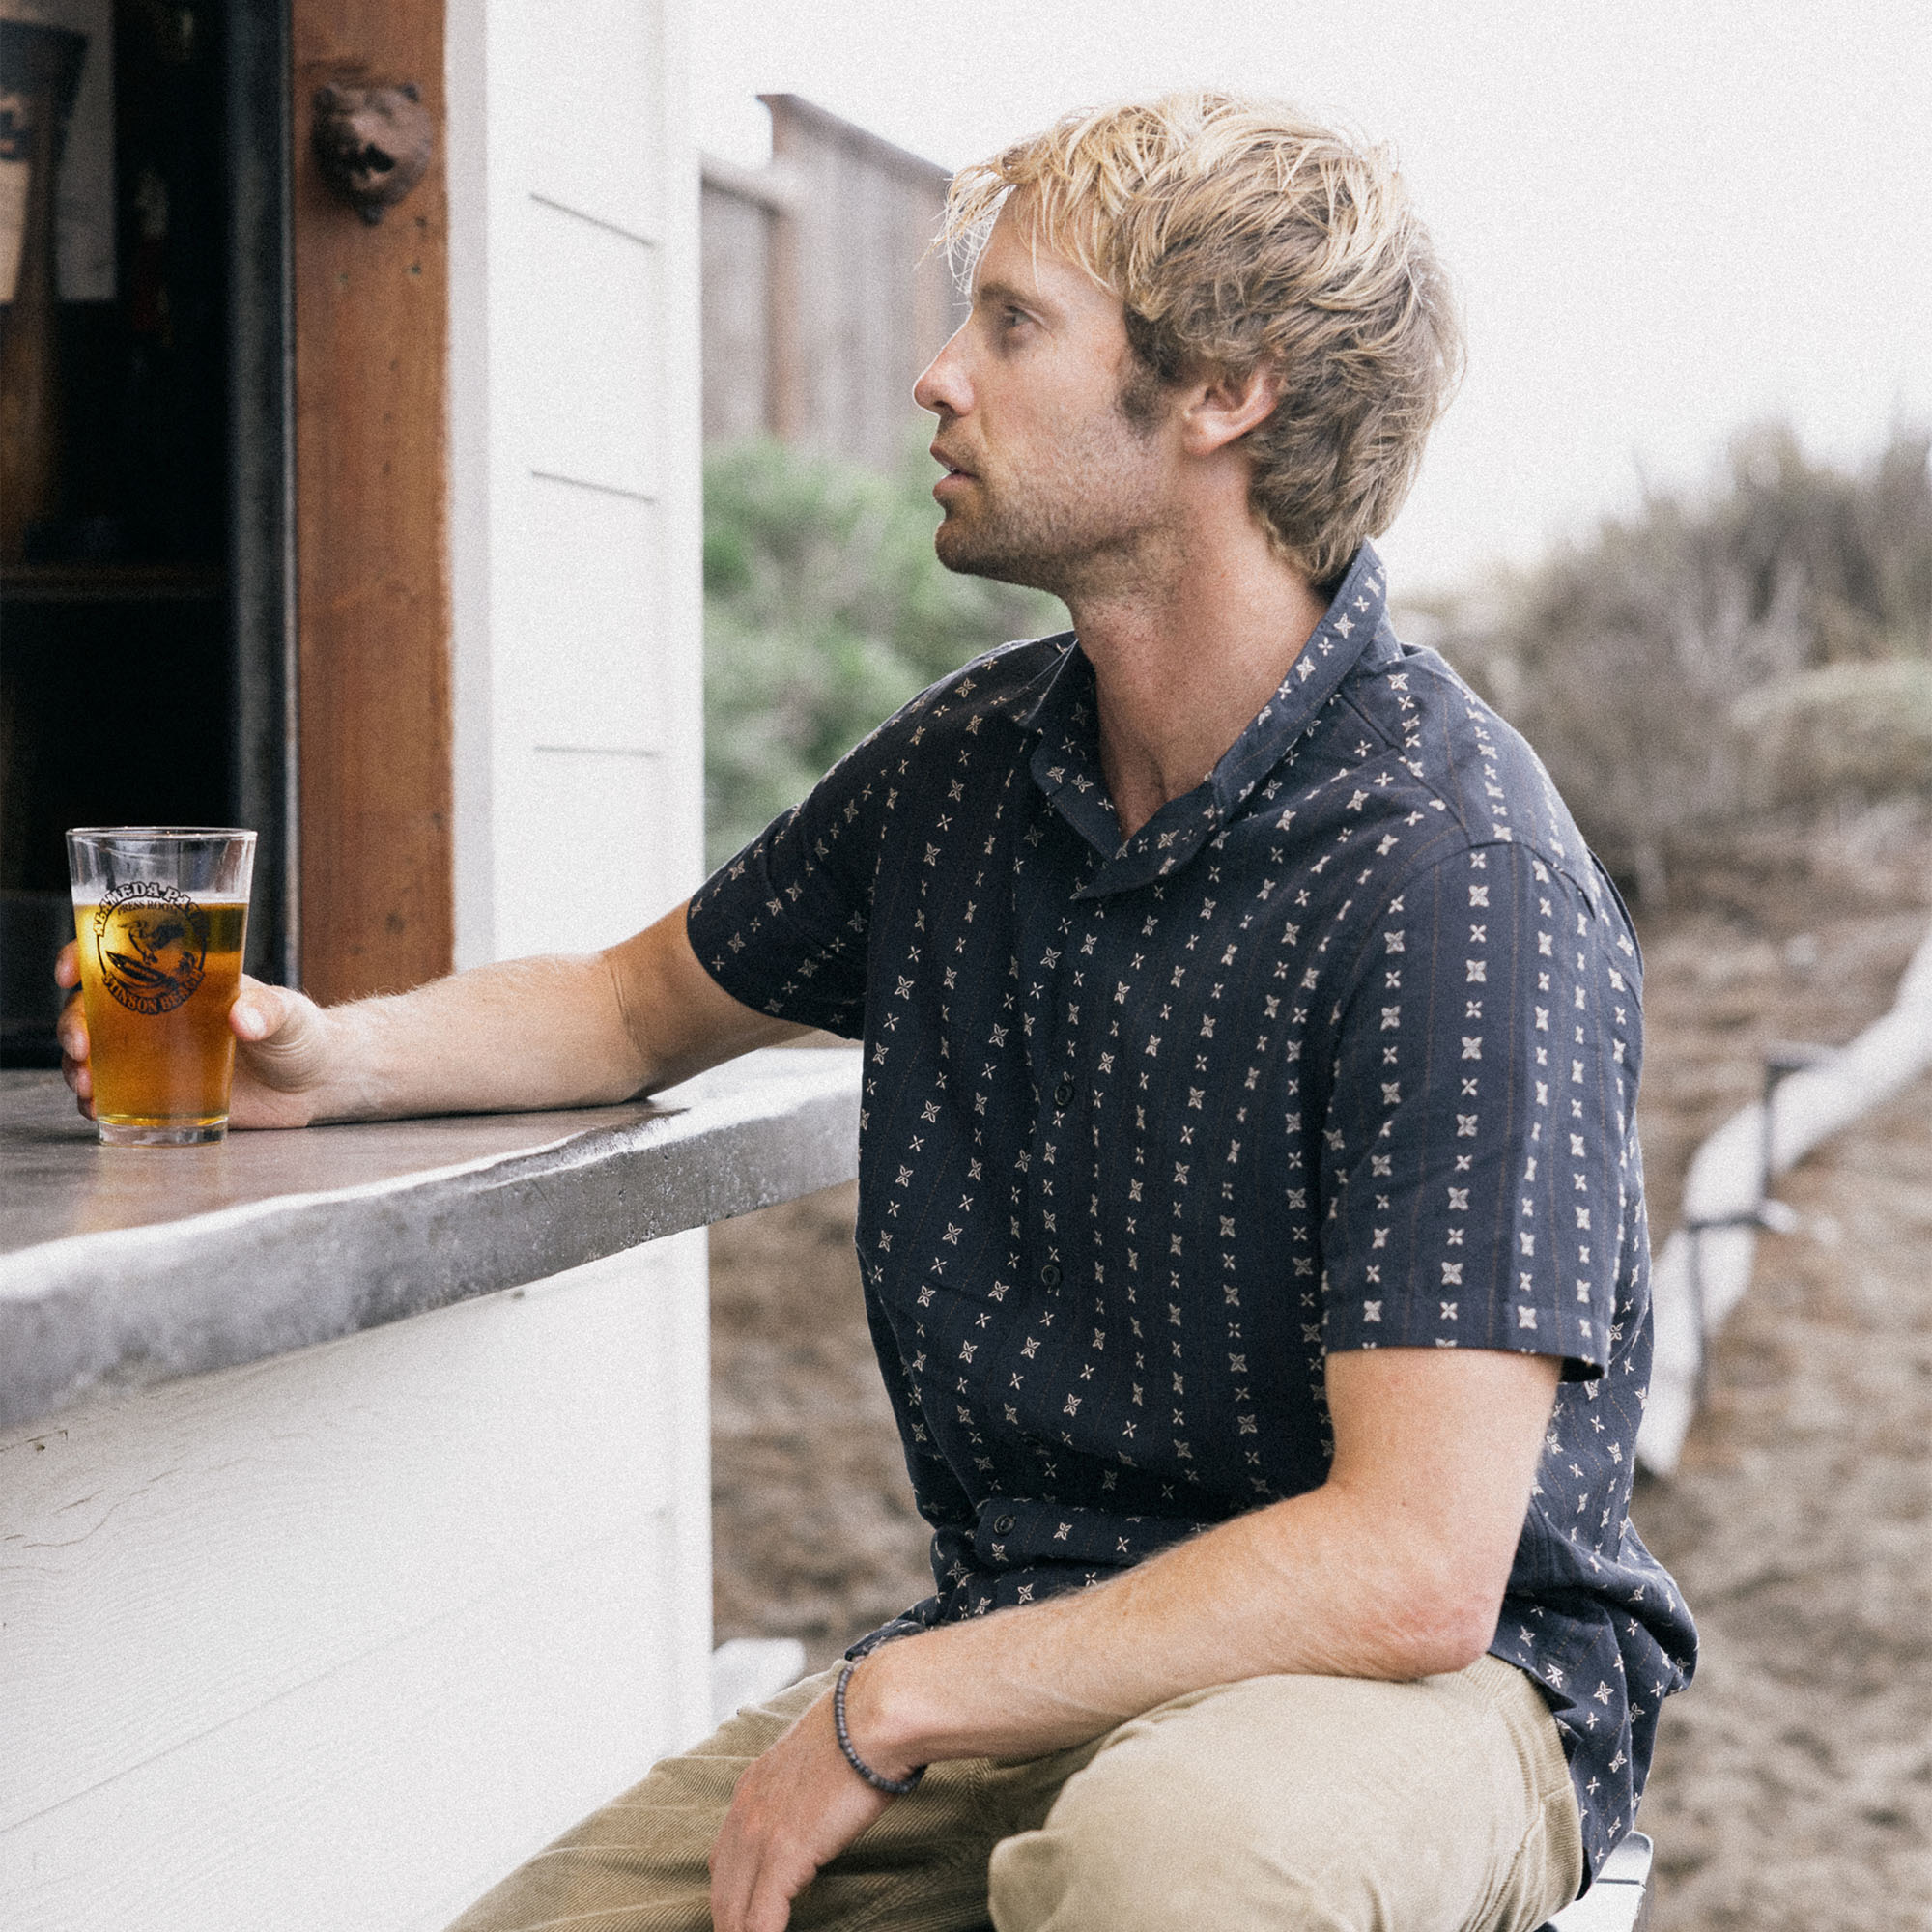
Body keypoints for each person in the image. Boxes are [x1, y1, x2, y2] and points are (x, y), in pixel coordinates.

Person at [58, 91, 1694, 1932]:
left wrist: (893, 1699)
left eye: (1009, 323)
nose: (934, 374)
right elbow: (621, 1010)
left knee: (1169, 1875)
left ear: (1224, 389)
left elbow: (1411, 1570)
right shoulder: (971, 768)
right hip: (1036, 1648)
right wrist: (328, 1059)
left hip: (1424, 1696)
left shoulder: (1452, 873)